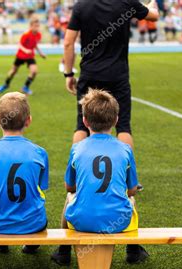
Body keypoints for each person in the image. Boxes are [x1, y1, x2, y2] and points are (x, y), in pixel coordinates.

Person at [63, 0, 159, 190]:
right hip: (118, 75)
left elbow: (68, 43)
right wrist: (152, 4)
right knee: (123, 125)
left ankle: (75, 179)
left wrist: (68, 73)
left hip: (90, 74)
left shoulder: (81, 5)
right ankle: (128, 179)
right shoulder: (126, 2)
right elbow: (153, 15)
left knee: (81, 124)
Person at [51, 89, 148, 265]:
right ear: (116, 120)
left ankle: (63, 251)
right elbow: (132, 189)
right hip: (119, 222)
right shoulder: (125, 149)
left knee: (69, 197)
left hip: (81, 221)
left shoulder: (77, 148)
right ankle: (133, 250)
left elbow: (69, 187)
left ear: (84, 121)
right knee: (131, 198)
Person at [0, 92, 49, 254]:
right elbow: (40, 188)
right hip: (33, 223)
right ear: (28, 120)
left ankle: (1, 243)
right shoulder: (40, 153)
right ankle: (31, 245)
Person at [0, 15, 46, 95]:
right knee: (13, 71)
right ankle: (6, 84)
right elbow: (19, 44)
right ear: (31, 26)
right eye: (35, 26)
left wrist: (41, 53)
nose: (37, 28)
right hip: (21, 55)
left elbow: (35, 44)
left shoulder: (38, 35)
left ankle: (25, 87)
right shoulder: (26, 34)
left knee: (34, 71)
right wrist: (25, 50)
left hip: (30, 56)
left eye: (38, 26)